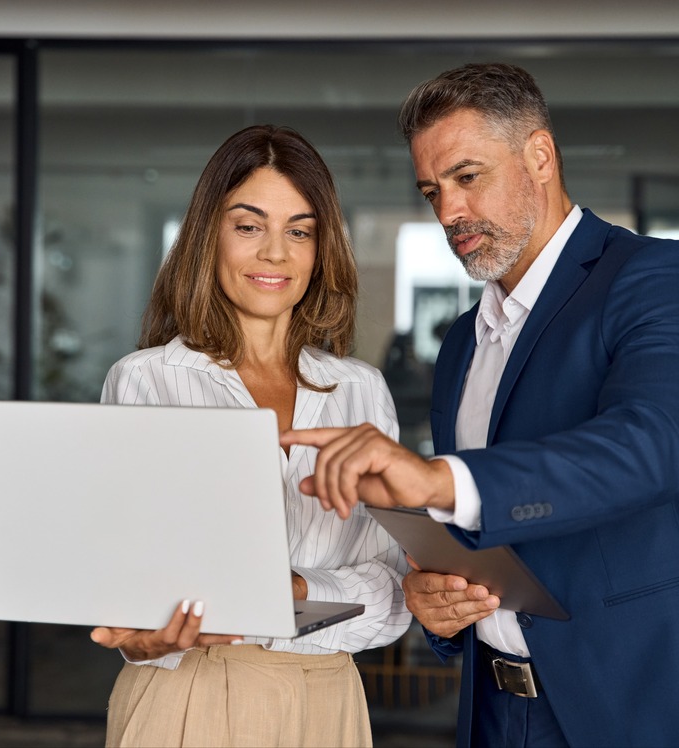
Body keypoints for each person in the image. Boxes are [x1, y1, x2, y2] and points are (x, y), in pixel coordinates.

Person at [282, 63, 679, 747]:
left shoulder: (657, 277)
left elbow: (648, 449)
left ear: (539, 156)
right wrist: (439, 608)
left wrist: (437, 479)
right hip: (498, 714)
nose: (448, 211)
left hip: (649, 710)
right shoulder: (461, 343)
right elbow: (481, 542)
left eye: (467, 177)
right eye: (431, 191)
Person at [90, 124, 412, 748]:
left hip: (328, 702)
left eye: (299, 231)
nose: (275, 253)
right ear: (208, 236)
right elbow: (121, 581)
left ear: (321, 250)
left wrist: (295, 591)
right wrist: (142, 638)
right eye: (248, 226)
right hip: (186, 694)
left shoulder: (361, 391)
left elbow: (394, 596)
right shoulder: (146, 381)